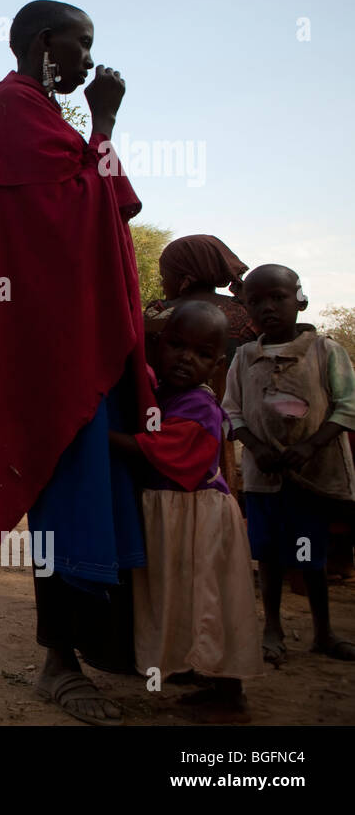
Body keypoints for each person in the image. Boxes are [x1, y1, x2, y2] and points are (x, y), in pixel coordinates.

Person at [0, 0, 155, 725]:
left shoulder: (38, 116)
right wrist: (103, 124)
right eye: (81, 43)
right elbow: (77, 215)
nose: (89, 59)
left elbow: (105, 207)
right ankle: (57, 661)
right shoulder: (10, 112)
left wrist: (94, 131)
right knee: (65, 490)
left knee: (97, 485)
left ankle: (106, 647)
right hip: (47, 346)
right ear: (44, 43)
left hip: (74, 336)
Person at [110, 302, 262, 722]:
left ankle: (231, 696)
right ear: (159, 345)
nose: (186, 359)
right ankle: (206, 679)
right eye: (177, 345)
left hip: (200, 519)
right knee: (188, 601)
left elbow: (164, 450)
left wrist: (104, 438)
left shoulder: (199, 404)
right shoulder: (164, 395)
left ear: (217, 363)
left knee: (212, 601)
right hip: (178, 518)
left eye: (201, 353)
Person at [223, 264, 355, 666]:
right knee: (268, 554)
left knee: (310, 555)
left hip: (312, 477)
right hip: (266, 478)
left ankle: (323, 632)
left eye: (278, 298)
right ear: (245, 307)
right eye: (255, 301)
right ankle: (272, 629)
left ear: (298, 299)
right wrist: (255, 447)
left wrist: (312, 445)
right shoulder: (244, 357)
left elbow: (348, 406)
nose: (268, 308)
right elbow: (231, 410)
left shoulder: (325, 350)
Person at [144, 235, 257, 497]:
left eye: (165, 276)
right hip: (239, 433)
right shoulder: (247, 314)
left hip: (166, 427)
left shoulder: (158, 312)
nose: (163, 283)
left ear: (184, 279)